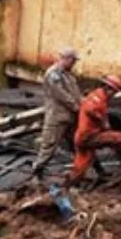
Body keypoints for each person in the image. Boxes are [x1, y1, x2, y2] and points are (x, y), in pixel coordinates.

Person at [65, 75, 121, 188]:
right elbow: (90, 110)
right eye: (114, 92)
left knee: (80, 168)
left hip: (83, 137)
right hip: (88, 137)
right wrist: (103, 121)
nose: (114, 95)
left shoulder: (100, 96)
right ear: (108, 88)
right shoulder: (97, 97)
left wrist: (104, 120)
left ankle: (66, 187)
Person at [31, 48, 84, 181]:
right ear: (66, 58)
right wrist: (78, 107)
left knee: (79, 145)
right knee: (49, 146)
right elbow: (62, 96)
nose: (74, 64)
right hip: (57, 117)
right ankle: (36, 172)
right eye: (72, 61)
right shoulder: (53, 74)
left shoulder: (69, 75)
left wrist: (83, 103)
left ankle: (82, 171)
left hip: (69, 117)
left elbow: (76, 94)